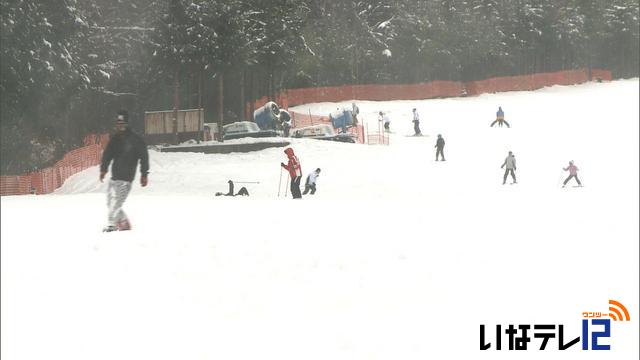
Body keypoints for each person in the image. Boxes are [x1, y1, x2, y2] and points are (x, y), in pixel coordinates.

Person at [100, 110, 149, 232]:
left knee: (116, 203)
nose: (120, 126)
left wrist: (144, 174)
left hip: (126, 179)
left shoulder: (135, 140)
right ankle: (124, 224)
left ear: (127, 123)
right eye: (118, 123)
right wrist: (103, 169)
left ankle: (112, 225)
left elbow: (144, 156)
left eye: (123, 123)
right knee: (110, 202)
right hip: (114, 177)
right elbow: (107, 154)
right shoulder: (115, 139)